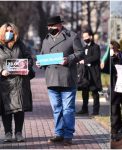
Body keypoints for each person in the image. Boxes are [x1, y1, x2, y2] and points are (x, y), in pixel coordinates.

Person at [36, 16, 84, 146]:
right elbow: (43, 55)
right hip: (51, 79)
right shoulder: (46, 40)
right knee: (57, 109)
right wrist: (40, 63)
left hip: (67, 78)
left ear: (59, 25)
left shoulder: (72, 36)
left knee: (68, 109)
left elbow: (81, 53)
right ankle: (59, 134)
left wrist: (69, 59)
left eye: (52, 26)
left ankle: (68, 135)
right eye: (48, 26)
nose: (49, 28)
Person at [0, 23, 33, 142]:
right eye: (7, 30)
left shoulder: (21, 45)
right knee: (6, 110)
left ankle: (19, 133)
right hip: (5, 83)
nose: (9, 32)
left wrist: (26, 65)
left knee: (19, 109)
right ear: (2, 32)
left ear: (15, 32)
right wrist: (1, 70)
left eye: (11, 31)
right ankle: (8, 133)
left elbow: (29, 58)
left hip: (20, 82)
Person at [77, 30, 102, 116]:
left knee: (94, 92)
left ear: (91, 37)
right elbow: (80, 57)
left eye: (86, 37)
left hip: (93, 73)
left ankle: (96, 111)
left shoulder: (96, 47)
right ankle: (84, 109)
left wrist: (85, 61)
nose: (85, 39)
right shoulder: (83, 49)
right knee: (84, 91)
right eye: (83, 37)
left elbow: (96, 57)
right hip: (85, 74)